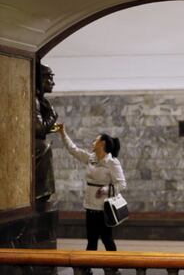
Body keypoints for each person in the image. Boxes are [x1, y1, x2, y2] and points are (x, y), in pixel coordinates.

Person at [56, 123, 126, 275]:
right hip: (90, 207)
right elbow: (73, 150)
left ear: (103, 144)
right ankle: (87, 269)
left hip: (104, 209)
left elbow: (122, 184)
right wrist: (63, 133)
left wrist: (106, 190)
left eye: (95, 140)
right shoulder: (92, 158)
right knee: (91, 240)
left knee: (107, 240)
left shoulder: (112, 162)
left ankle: (113, 269)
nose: (92, 143)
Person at [35, 64, 58, 203]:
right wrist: (52, 115)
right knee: (44, 147)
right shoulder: (34, 100)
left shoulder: (39, 101)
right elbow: (39, 129)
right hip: (35, 147)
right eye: (49, 78)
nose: (53, 82)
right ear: (40, 80)